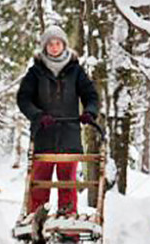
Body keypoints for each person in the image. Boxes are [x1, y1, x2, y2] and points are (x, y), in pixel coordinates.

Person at [16, 26, 99, 216]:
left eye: (58, 43)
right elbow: (24, 99)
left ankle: (67, 226)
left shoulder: (76, 71)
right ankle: (37, 222)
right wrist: (37, 115)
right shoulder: (35, 72)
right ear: (45, 47)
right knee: (39, 184)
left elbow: (91, 96)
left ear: (64, 45)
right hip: (43, 135)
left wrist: (89, 112)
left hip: (69, 136)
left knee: (67, 184)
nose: (54, 47)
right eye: (50, 44)